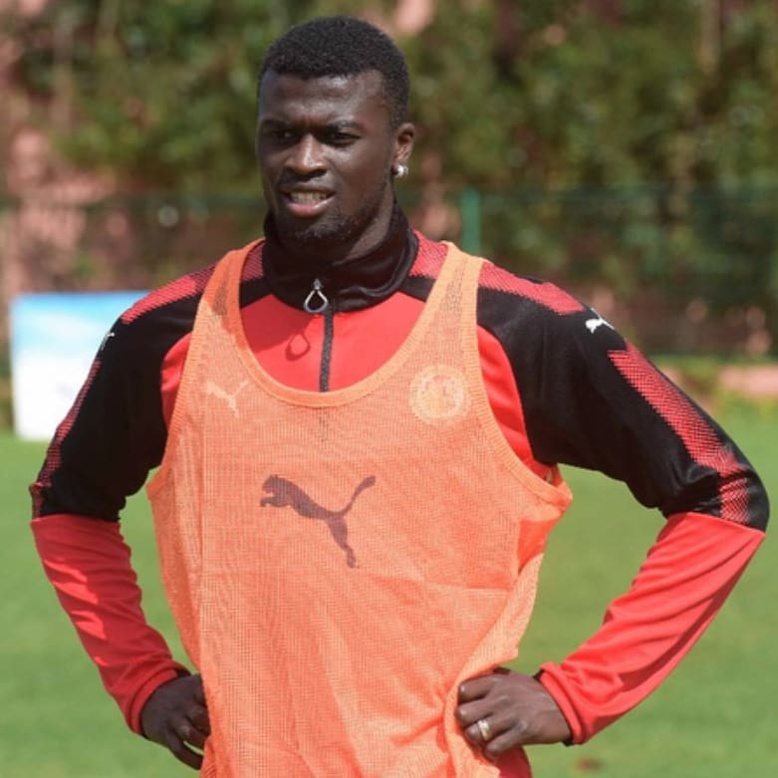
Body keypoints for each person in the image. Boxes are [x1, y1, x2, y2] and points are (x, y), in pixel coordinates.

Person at [30, 15, 768, 778]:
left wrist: (577, 695)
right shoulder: (169, 331)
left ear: (400, 148)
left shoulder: (514, 325)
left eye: (337, 137)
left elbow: (723, 493)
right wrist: (141, 680)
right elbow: (67, 503)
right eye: (280, 135)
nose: (303, 161)